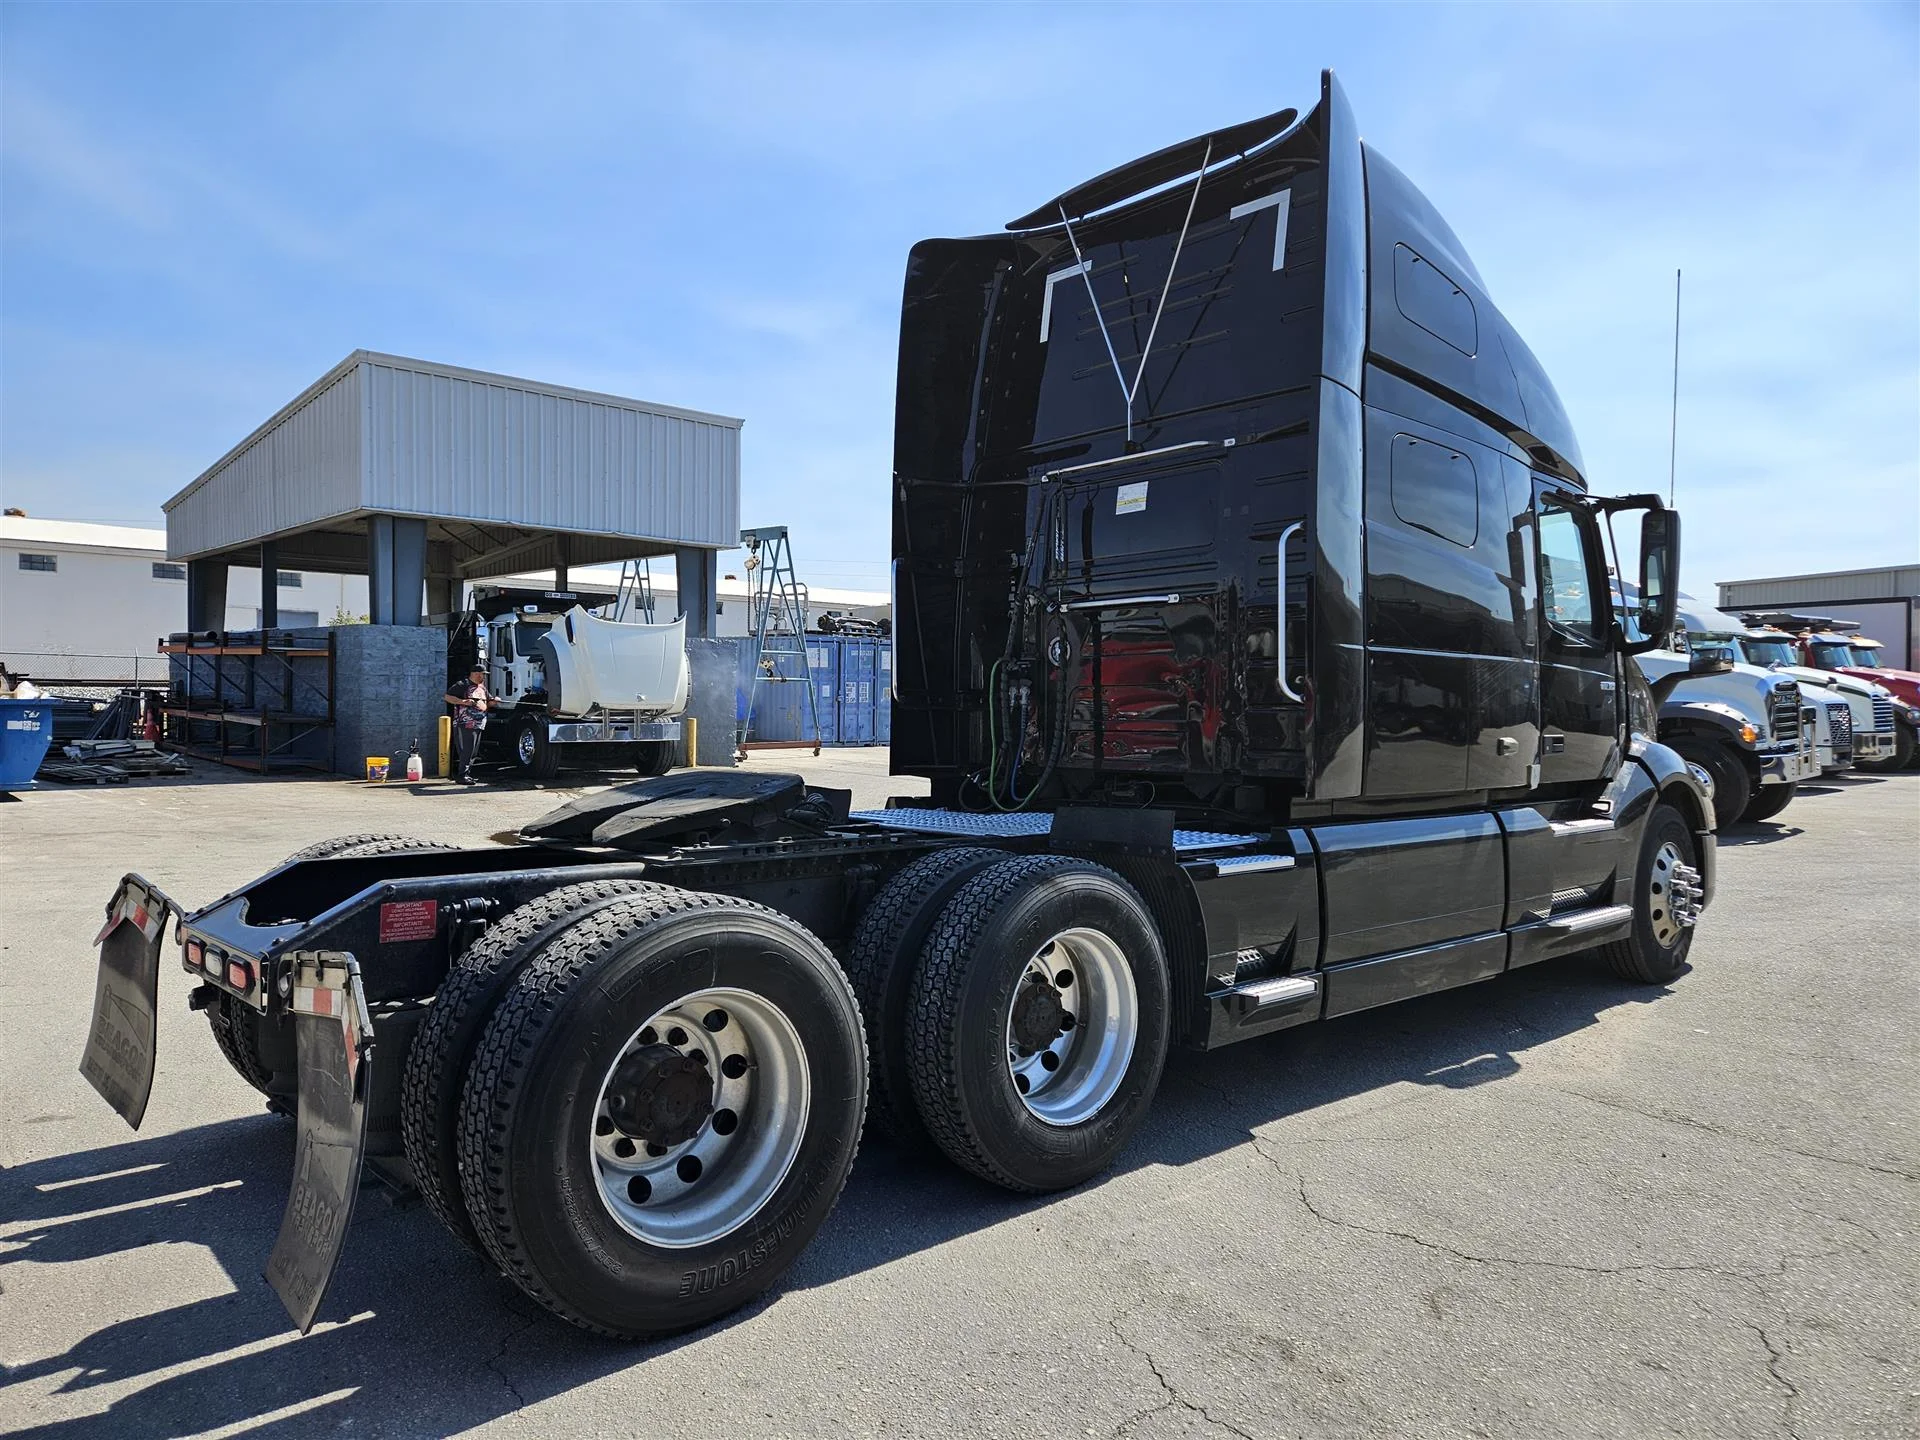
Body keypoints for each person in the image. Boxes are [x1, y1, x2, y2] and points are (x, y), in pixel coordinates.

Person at [444, 665, 492, 783]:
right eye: (481, 674)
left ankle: (466, 774)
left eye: (484, 674)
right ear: (474, 674)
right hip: (465, 723)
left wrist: (495, 700)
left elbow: (488, 702)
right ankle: (461, 775)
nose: (483, 676)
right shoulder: (463, 684)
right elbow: (447, 697)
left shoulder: (482, 688)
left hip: (479, 723)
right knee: (466, 750)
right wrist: (463, 702)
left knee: (473, 751)